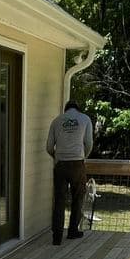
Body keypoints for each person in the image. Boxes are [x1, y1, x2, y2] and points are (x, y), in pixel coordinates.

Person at [46, 100, 93, 244]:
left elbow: (49, 147)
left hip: (60, 164)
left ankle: (57, 237)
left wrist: (57, 157)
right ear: (78, 109)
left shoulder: (56, 121)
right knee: (78, 198)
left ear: (65, 109)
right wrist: (83, 157)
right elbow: (89, 143)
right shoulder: (85, 119)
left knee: (59, 200)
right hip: (78, 164)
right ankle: (73, 231)